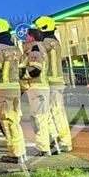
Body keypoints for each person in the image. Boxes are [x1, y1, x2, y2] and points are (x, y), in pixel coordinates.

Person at [0, 18, 26, 164]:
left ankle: (15, 154)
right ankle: (21, 152)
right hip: (15, 90)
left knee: (7, 123)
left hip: (2, 91)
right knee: (15, 121)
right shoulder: (16, 50)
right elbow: (22, 70)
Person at [33, 16, 72, 152]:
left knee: (54, 112)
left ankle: (64, 141)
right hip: (58, 81)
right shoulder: (56, 42)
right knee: (59, 112)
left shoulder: (45, 43)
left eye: (38, 29)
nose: (37, 31)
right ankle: (62, 140)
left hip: (50, 82)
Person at [23, 26, 53, 157]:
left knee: (38, 119)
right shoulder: (41, 48)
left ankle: (43, 148)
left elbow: (35, 70)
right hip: (42, 87)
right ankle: (52, 145)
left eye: (27, 36)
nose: (25, 39)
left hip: (37, 88)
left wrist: (21, 74)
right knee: (46, 117)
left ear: (32, 37)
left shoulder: (35, 49)